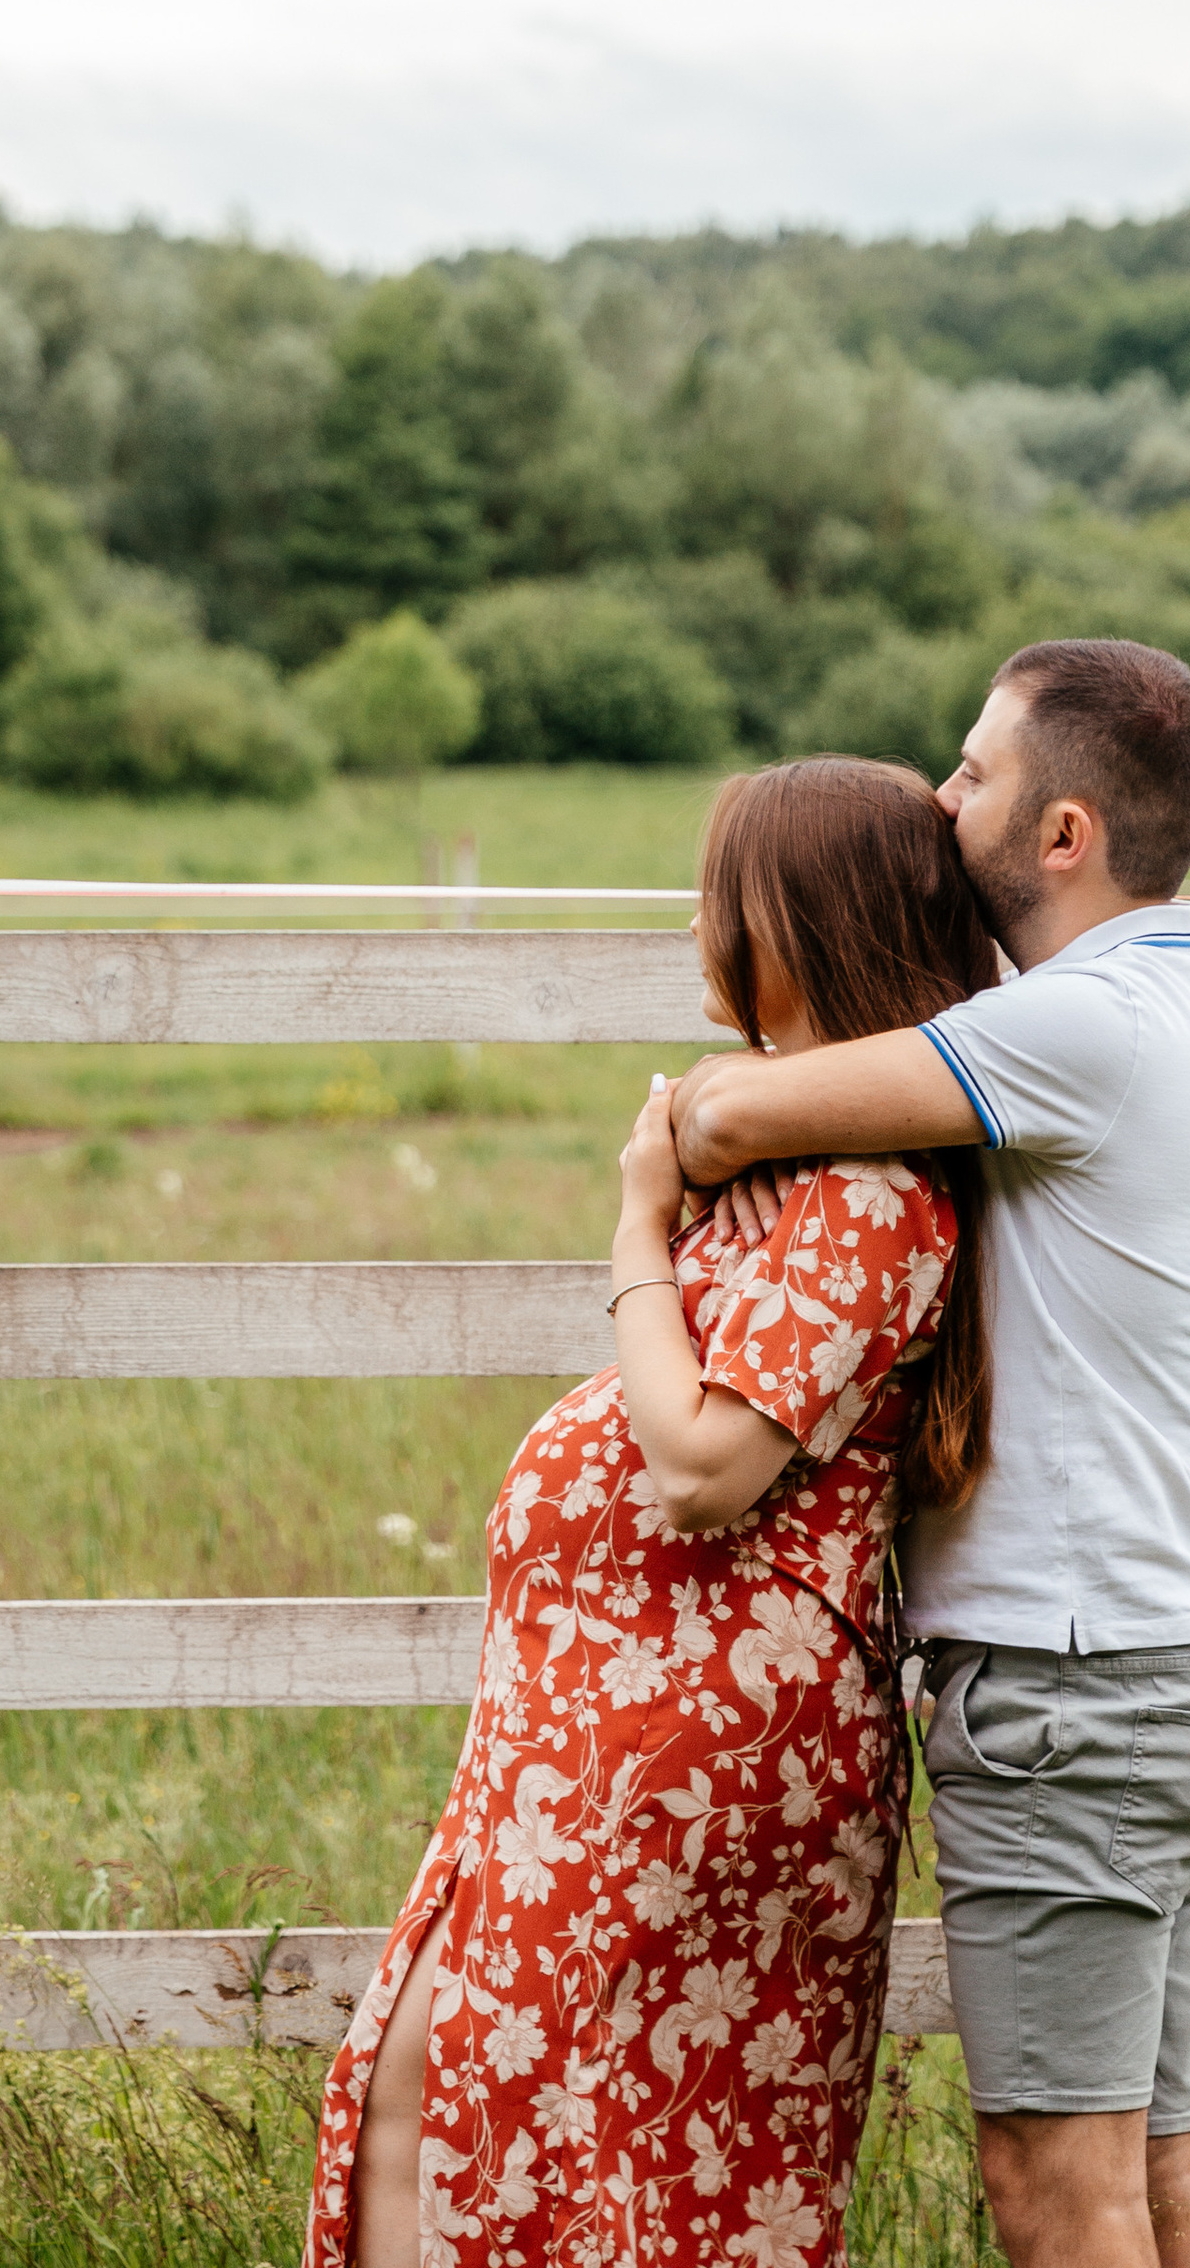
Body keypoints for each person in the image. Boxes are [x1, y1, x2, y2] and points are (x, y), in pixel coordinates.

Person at [304, 756, 996, 2268]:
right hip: (596, 1729)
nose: (697, 924)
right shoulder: (782, 1166)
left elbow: (700, 1465)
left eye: (721, 896)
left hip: (694, 1746)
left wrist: (635, 1230)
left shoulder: (870, 1196)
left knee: (533, 2116)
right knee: (475, 2099)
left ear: (803, 921)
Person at [669, 640, 1190, 2268]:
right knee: (1163, 2168)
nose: (943, 802)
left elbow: (723, 1119)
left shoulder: (1080, 1027)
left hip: (1080, 1694)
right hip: (1155, 1669)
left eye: (972, 772)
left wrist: (670, 1145)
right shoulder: (1139, 1001)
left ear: (1065, 834)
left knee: (1055, 2187)